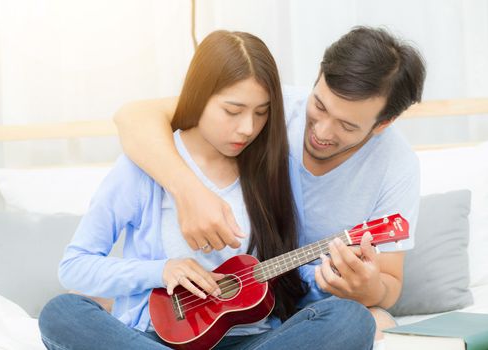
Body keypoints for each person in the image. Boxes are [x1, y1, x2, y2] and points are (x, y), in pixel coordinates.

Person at [38, 30, 375, 350]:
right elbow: (75, 266)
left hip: (254, 341)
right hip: (155, 340)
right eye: (233, 111)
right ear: (198, 97)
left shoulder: (275, 168)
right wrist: (161, 270)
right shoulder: (143, 166)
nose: (248, 128)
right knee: (62, 312)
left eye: (261, 113)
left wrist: (325, 279)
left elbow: (289, 275)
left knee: (352, 318)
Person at [113, 26, 426, 340]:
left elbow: (389, 285)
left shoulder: (397, 166)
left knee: (369, 321)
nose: (323, 132)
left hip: (307, 311)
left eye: (347, 125)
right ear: (318, 76)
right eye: (319, 106)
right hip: (235, 306)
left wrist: (368, 288)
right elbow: (133, 116)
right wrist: (190, 193)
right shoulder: (265, 109)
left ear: (383, 123)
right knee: (76, 308)